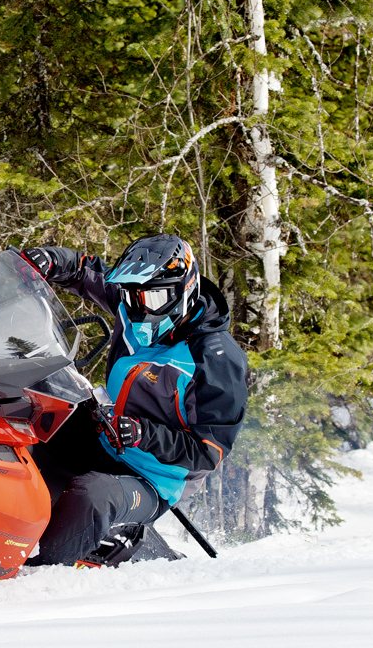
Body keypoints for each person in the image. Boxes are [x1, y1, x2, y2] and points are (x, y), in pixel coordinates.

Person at [21, 235, 248, 565]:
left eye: (153, 297)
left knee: (93, 496)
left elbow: (208, 452)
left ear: (183, 290)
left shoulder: (215, 359)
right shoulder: (139, 304)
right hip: (104, 435)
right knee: (25, 408)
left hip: (153, 476)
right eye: (131, 296)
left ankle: (39, 575)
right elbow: (88, 272)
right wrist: (51, 261)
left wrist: (145, 434)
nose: (141, 308)